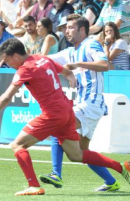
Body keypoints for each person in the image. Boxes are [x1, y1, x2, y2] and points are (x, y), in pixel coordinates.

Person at [0, 37, 130, 196]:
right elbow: (66, 72)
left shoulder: (25, 69)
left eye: (7, 60)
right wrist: (71, 79)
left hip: (53, 114)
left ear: (16, 56)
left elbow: (7, 97)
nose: (6, 64)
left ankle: (34, 185)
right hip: (67, 111)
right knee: (77, 155)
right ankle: (121, 167)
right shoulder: (42, 59)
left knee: (17, 145)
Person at [39, 14, 123, 192]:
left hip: (92, 102)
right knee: (81, 153)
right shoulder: (70, 51)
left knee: (58, 127)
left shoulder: (90, 44)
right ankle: (111, 181)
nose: (66, 31)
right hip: (86, 104)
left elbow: (104, 64)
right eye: (65, 28)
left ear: (82, 29)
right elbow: (46, 61)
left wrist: (76, 65)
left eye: (70, 27)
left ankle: (56, 174)